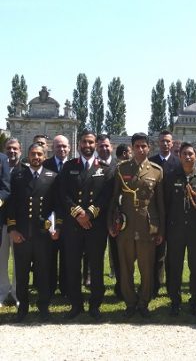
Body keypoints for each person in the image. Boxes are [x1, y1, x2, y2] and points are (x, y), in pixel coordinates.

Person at [108, 132, 165, 318]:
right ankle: (130, 303)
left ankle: (143, 303)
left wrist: (161, 230)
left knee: (147, 268)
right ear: (131, 148)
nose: (140, 149)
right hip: (125, 226)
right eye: (137, 146)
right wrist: (111, 223)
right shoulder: (121, 168)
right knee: (125, 268)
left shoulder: (156, 171)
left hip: (147, 227)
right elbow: (113, 199)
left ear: (149, 148)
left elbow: (160, 204)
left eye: (144, 146)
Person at [58, 129, 113, 320]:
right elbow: (63, 194)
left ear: (96, 145)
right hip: (73, 226)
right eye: (84, 142)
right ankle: (76, 304)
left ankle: (95, 305)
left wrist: (89, 214)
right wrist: (78, 213)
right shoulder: (69, 167)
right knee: (73, 266)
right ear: (79, 144)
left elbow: (106, 196)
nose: (87, 146)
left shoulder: (104, 168)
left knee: (96, 266)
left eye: (91, 142)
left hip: (95, 226)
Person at [7, 143, 58, 322]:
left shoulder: (52, 177)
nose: (36, 157)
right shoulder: (18, 175)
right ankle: (23, 308)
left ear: (45, 156)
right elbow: (10, 205)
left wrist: (55, 227)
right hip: (22, 234)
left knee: (43, 273)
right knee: (21, 274)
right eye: (33, 154)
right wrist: (12, 229)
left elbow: (56, 206)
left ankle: (43, 307)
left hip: (43, 236)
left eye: (39, 154)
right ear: (28, 156)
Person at [165, 142, 196, 317]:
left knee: (195, 267)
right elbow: (166, 204)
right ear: (179, 156)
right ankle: (175, 301)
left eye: (191, 154)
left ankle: (195, 301)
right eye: (185, 154)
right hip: (175, 230)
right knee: (174, 267)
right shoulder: (170, 177)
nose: (188, 157)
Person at [149, 130, 180, 297]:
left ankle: (171, 286)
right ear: (158, 143)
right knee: (157, 253)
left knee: (173, 254)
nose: (165, 144)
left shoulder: (178, 163)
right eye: (162, 141)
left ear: (172, 143)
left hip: (173, 214)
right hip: (155, 214)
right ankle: (155, 285)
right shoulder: (151, 162)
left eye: (168, 141)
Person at [43, 135, 70, 298]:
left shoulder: (76, 165)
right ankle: (50, 288)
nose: (61, 149)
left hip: (69, 218)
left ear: (69, 148)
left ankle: (66, 288)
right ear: (53, 147)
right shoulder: (45, 165)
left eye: (64, 146)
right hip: (50, 217)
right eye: (58, 146)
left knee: (68, 255)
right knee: (49, 255)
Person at [96, 134, 122, 299]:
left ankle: (120, 287)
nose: (104, 148)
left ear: (111, 146)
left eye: (106, 145)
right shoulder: (93, 165)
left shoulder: (119, 166)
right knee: (96, 254)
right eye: (101, 146)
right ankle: (95, 287)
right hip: (97, 217)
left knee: (118, 254)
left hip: (115, 217)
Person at [0, 138, 20, 307]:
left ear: (20, 150)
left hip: (18, 223)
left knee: (19, 259)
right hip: (1, 221)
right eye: (8, 148)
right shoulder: (1, 163)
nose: (11, 151)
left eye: (15, 148)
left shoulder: (25, 170)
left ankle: (17, 292)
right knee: (1, 258)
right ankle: (2, 291)